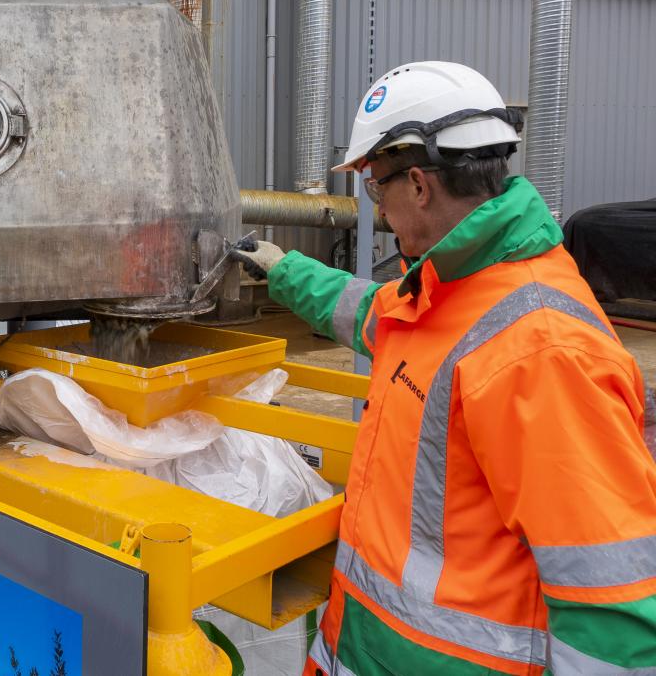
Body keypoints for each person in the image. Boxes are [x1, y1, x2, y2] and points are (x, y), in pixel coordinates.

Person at [232, 61, 656, 675]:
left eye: (377, 189)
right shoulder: (448, 291)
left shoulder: (541, 350)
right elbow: (370, 312)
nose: (381, 210)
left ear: (419, 186)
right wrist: (284, 270)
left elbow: (612, 609)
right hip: (369, 646)